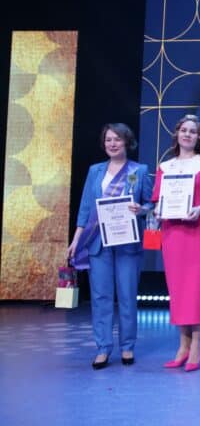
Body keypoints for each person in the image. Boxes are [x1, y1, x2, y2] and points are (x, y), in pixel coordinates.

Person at [67, 123, 153, 369]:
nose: (112, 144)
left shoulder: (139, 170)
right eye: (108, 140)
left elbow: (151, 203)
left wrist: (142, 209)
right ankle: (103, 347)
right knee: (101, 297)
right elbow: (85, 208)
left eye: (117, 139)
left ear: (127, 142)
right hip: (98, 242)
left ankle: (127, 346)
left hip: (127, 243)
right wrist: (76, 240)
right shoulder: (95, 171)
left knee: (127, 296)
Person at [151, 114, 200, 372]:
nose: (188, 134)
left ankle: (196, 346)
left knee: (196, 288)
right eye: (184, 130)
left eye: (193, 131)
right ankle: (182, 345)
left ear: (199, 137)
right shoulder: (165, 166)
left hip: (196, 231)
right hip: (172, 233)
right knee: (177, 289)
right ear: (177, 134)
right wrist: (157, 210)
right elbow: (157, 198)